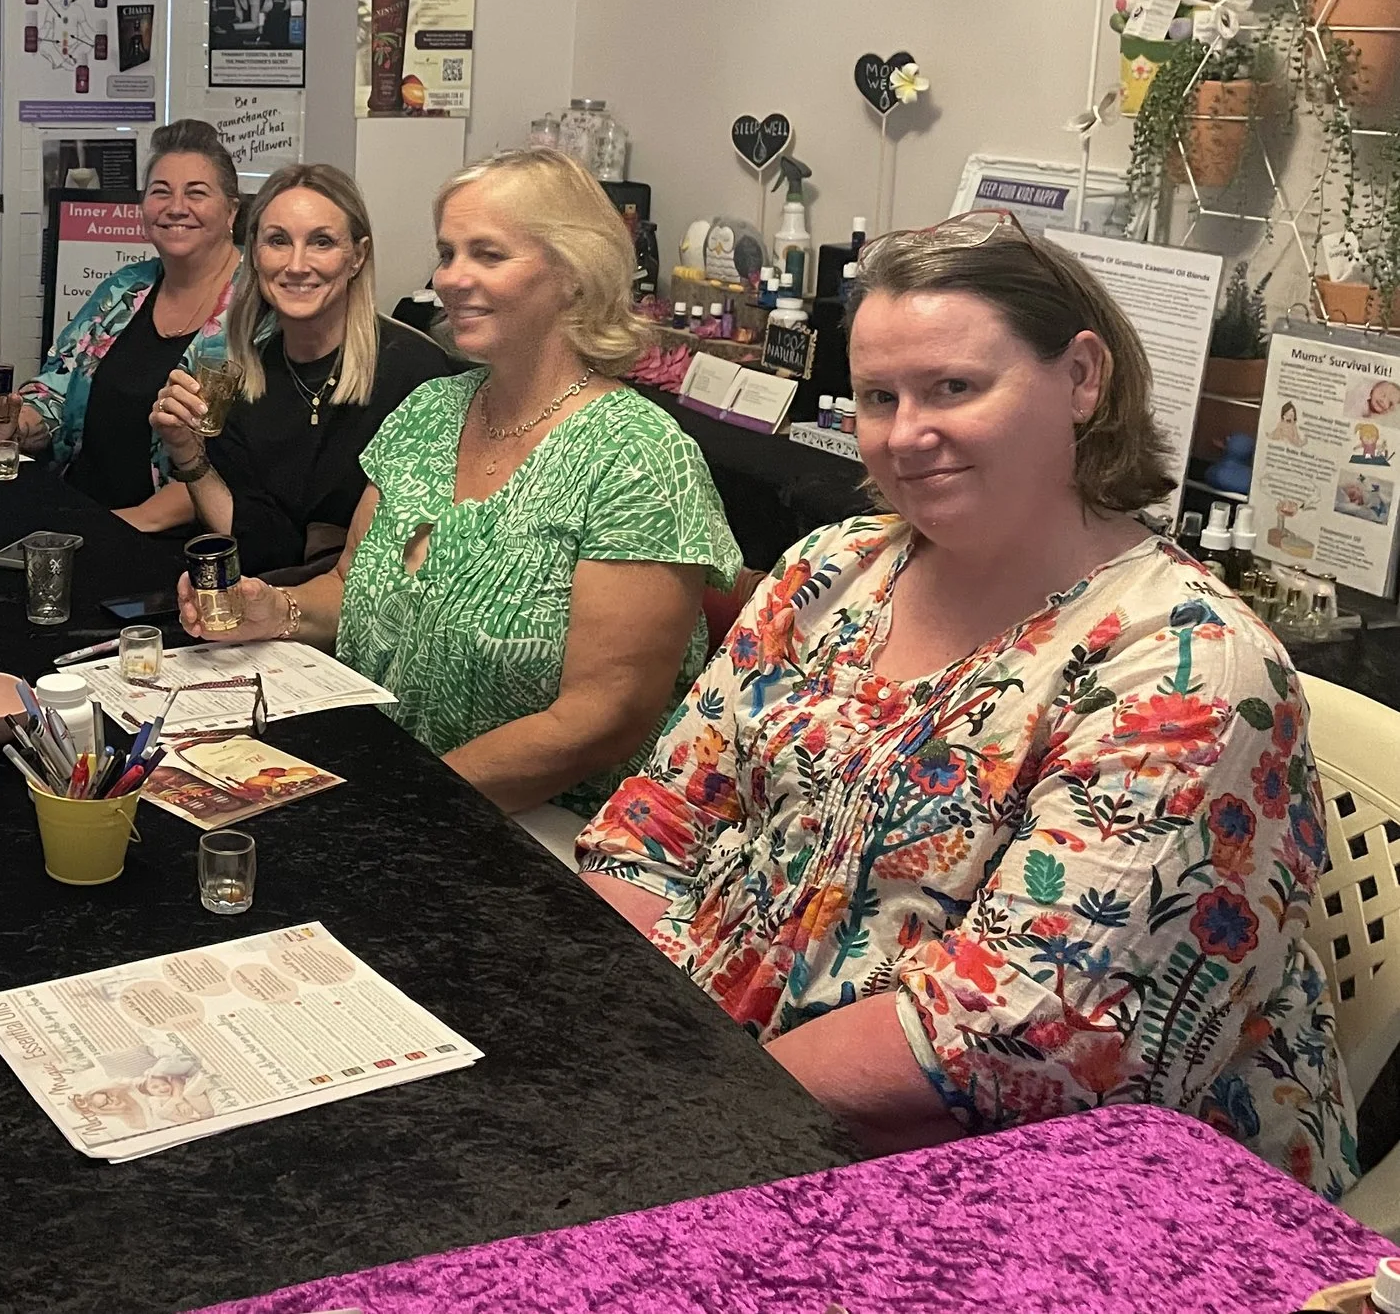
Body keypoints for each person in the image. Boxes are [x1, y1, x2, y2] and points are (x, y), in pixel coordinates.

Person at [576, 211, 1358, 1190]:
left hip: (1057, 1189)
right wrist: (609, 1046)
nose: (907, 434)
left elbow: (1020, 1030)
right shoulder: (829, 571)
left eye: (954, 386)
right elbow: (659, 825)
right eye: (876, 396)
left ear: (1081, 378)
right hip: (733, 1086)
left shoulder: (1186, 666)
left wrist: (699, 1118)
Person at [180, 149, 739, 823]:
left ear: (572, 272)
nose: (450, 278)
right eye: (447, 253)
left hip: (558, 834)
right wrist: (278, 612)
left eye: (487, 254)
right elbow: (354, 583)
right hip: (390, 788)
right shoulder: (429, 411)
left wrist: (407, 806)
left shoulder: (638, 458)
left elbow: (602, 718)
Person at [146, 163, 449, 572]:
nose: (296, 265)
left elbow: (412, 560)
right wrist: (186, 451)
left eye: (321, 242)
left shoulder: (416, 374)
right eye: (278, 241)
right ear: (255, 252)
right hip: (270, 607)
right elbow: (255, 539)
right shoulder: (247, 374)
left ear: (357, 256)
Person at [0, 120, 241, 532]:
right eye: (160, 192)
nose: (176, 207)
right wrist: (12, 423)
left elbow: (241, 466)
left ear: (232, 211)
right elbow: (55, 396)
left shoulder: (258, 308)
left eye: (197, 193)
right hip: (78, 510)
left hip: (167, 540)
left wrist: (105, 529)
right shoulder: (123, 289)